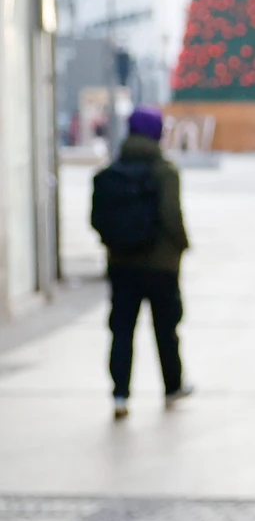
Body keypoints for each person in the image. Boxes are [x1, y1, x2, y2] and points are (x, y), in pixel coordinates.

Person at [92, 105, 191, 420]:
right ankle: (172, 387)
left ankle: (120, 395)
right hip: (160, 266)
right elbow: (172, 217)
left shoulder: (112, 172)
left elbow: (97, 219)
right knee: (166, 329)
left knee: (121, 330)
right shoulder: (164, 171)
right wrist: (182, 246)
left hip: (122, 265)